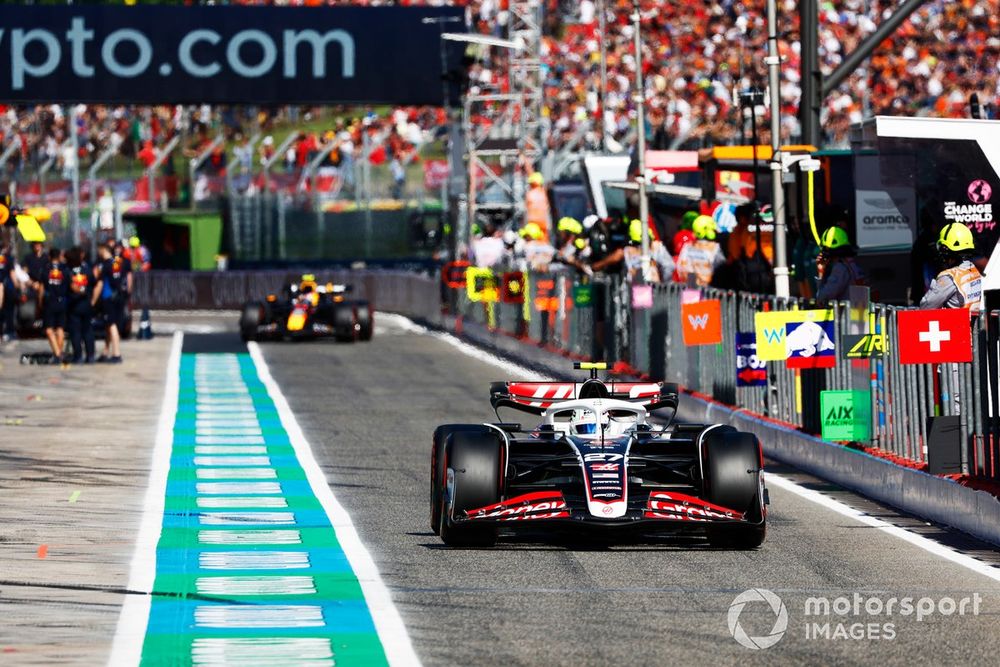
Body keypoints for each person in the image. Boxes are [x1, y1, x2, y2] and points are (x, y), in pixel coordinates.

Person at [919, 222, 983, 311]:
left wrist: (936, 283)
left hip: (955, 324)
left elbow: (926, 306)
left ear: (946, 249)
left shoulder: (948, 277)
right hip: (972, 324)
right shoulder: (973, 269)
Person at [815, 226, 867, 305]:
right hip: (861, 312)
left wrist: (821, 272)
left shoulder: (840, 268)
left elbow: (823, 297)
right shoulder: (854, 263)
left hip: (847, 315)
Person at [95, 242, 128, 362]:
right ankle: (106, 351)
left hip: (108, 298)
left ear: (104, 250)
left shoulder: (105, 265)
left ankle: (117, 354)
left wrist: (93, 300)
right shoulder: (118, 263)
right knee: (109, 325)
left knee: (111, 325)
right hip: (119, 297)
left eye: (99, 250)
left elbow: (100, 284)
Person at [674, 215, 725, 286]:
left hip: (690, 288)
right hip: (709, 290)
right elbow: (721, 269)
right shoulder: (714, 248)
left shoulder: (687, 247)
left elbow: (680, 268)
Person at [65, 246, 96, 364]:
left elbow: (67, 286)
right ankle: (90, 355)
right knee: (88, 330)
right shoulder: (86, 269)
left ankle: (78, 356)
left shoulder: (68, 270)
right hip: (86, 303)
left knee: (75, 331)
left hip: (74, 304)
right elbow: (93, 282)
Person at [42, 248, 67, 363]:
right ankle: (59, 353)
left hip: (50, 302)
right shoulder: (64, 268)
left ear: (49, 257)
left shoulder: (46, 269)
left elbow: (41, 288)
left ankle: (57, 353)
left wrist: (39, 302)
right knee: (60, 328)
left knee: (49, 329)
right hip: (62, 302)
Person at [524, 171, 551, 243]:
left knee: (532, 240)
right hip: (542, 221)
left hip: (533, 221)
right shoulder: (544, 193)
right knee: (543, 240)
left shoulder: (530, 193)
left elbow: (526, 207)